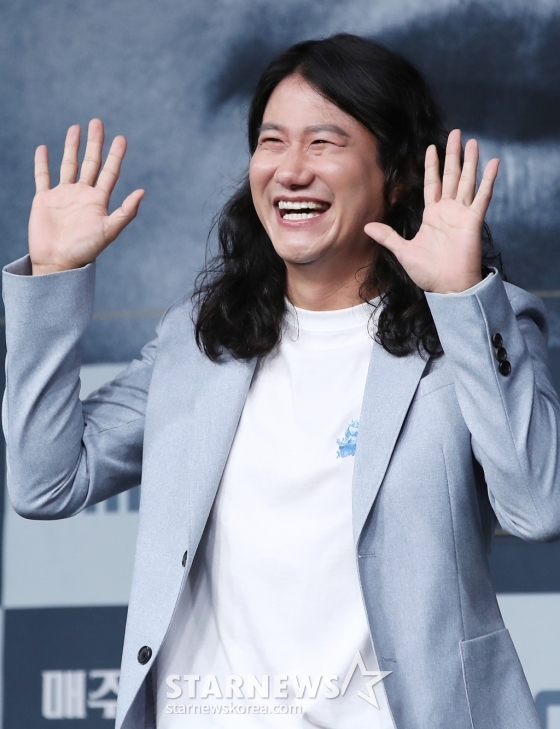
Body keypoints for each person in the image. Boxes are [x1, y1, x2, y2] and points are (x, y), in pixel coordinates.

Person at [2, 33, 559, 729]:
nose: (291, 171)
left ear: (394, 173)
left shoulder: (470, 333)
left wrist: (461, 300)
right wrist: (54, 280)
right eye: (271, 142)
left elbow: (538, 508)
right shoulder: (199, 339)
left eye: (324, 143)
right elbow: (47, 482)